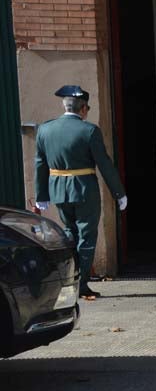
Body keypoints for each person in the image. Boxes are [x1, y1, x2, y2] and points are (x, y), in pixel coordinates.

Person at [33, 85, 127, 299]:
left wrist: (41, 195)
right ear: (83, 108)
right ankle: (80, 284)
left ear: (64, 106)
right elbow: (104, 164)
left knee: (69, 233)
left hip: (58, 190)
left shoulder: (45, 129)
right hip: (84, 189)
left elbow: (40, 163)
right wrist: (119, 193)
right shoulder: (89, 130)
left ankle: (68, 281)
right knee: (87, 237)